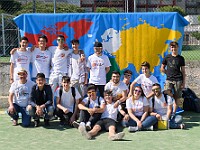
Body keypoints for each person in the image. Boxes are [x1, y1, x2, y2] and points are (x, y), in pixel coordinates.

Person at [161, 41, 186, 114]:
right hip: (169, 79)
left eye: (175, 47)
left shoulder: (181, 58)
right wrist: (167, 73)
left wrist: (183, 83)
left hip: (178, 80)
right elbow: (162, 68)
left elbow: (183, 71)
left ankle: (174, 112)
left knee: (177, 98)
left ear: (177, 47)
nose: (173, 48)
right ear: (170, 48)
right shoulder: (167, 57)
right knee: (166, 91)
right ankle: (173, 97)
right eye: (172, 47)